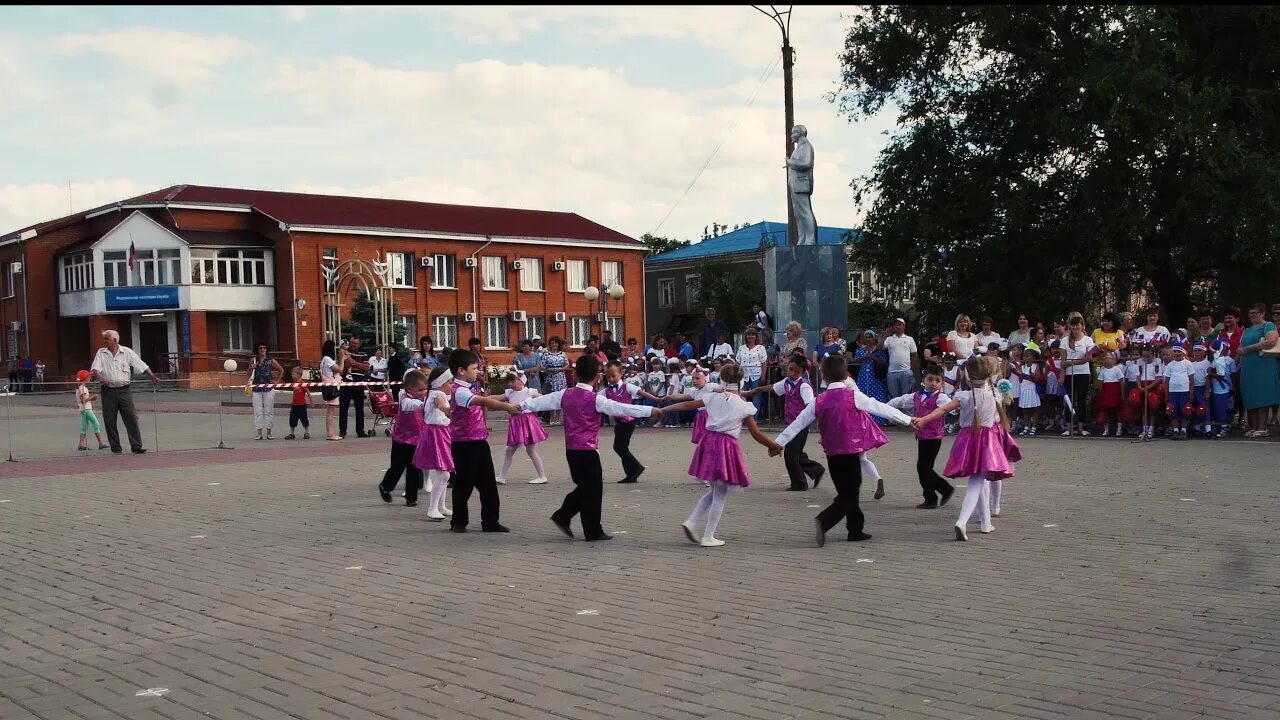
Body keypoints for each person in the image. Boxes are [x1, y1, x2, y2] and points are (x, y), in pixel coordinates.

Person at [772, 354, 914, 546]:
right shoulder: (853, 395)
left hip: (832, 454)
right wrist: (908, 420)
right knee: (850, 493)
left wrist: (779, 442)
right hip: (850, 451)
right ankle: (825, 521)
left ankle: (855, 530)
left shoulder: (818, 400)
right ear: (846, 375)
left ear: (824, 376)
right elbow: (880, 408)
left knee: (847, 492)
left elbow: (799, 423)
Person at [519, 355, 658, 541]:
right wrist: (650, 410)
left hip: (571, 451)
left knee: (586, 488)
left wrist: (519, 406)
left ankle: (564, 516)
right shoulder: (595, 400)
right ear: (598, 377)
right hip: (588, 451)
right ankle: (591, 530)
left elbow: (539, 402)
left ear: (575, 374)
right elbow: (622, 408)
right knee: (592, 491)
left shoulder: (564, 394)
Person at [661, 363, 781, 547]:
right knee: (720, 493)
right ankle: (708, 535)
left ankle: (692, 522)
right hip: (726, 446)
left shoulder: (712, 398)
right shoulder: (743, 406)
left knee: (714, 489)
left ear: (722, 380)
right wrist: (774, 445)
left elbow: (687, 404)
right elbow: (756, 433)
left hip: (708, 442)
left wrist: (663, 410)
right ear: (741, 382)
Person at [913, 356, 1020, 541]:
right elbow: (997, 417)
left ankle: (985, 522)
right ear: (989, 376)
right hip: (987, 442)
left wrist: (923, 420)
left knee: (979, 482)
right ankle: (964, 521)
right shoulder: (994, 395)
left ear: (968, 375)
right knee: (978, 483)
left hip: (967, 440)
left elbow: (943, 410)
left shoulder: (963, 396)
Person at [444, 349, 521, 533]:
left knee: (488, 484)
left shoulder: (468, 388)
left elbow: (486, 398)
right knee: (464, 484)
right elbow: (484, 402)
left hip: (479, 442)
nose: (478, 371)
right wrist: (507, 406)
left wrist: (506, 398)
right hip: (464, 444)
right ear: (461, 370)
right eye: (474, 368)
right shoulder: (460, 391)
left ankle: (490, 522)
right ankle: (459, 522)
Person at [744, 354, 825, 491]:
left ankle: (799, 484)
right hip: (790, 424)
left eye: (796, 371)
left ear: (803, 372)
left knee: (790, 454)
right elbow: (772, 387)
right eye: (790, 369)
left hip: (800, 425)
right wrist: (757, 390)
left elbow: (810, 407)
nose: (792, 373)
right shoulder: (786, 382)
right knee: (797, 452)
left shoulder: (804, 386)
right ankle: (816, 470)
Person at [886, 364, 954, 508]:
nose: (933, 383)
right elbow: (898, 401)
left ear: (942, 383)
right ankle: (935, 495)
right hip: (922, 436)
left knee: (924, 468)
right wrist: (885, 408)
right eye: (930, 379)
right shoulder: (916, 395)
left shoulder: (941, 398)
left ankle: (939, 493)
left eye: (937, 381)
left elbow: (951, 407)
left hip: (934, 437)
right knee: (924, 467)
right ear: (923, 380)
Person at [89, 329, 159, 454]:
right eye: (104, 339)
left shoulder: (127, 352)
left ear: (115, 340)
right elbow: (95, 369)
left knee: (131, 417)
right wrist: (101, 378)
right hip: (108, 391)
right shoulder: (101, 352)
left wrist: (152, 375)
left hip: (124, 390)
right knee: (110, 419)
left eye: (107, 339)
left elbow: (141, 364)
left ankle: (136, 445)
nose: (105, 342)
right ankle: (116, 447)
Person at [602, 360, 662, 484]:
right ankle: (631, 474)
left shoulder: (627, 386)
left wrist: (655, 398)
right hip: (619, 422)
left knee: (619, 447)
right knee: (621, 447)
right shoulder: (606, 391)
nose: (611, 379)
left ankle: (636, 468)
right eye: (608, 377)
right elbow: (594, 398)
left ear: (621, 373)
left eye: (613, 376)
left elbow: (642, 393)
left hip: (629, 421)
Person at [411, 366, 456, 521]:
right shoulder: (437, 395)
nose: (452, 385)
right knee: (444, 473)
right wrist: (455, 410)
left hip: (441, 433)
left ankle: (441, 506)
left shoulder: (437, 393)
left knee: (443, 472)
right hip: (435, 434)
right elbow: (444, 408)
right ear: (440, 383)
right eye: (450, 382)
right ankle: (432, 508)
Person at [378, 369, 428, 507]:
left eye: (425, 389)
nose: (423, 392)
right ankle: (385, 487)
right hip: (401, 440)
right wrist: (423, 404)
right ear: (409, 388)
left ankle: (411, 498)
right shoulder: (405, 398)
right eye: (420, 390)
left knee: (413, 468)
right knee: (397, 467)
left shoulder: (423, 398)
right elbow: (408, 406)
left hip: (416, 440)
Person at [498, 369, 549, 485]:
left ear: (521, 381)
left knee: (530, 449)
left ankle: (542, 476)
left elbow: (544, 399)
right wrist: (483, 399)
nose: (510, 384)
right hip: (516, 423)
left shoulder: (530, 392)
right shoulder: (510, 393)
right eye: (509, 381)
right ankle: (502, 476)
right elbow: (497, 398)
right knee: (510, 450)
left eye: (512, 381)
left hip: (527, 422)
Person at [1237, 303, 1279, 438]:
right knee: (1251, 395)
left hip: (1263, 364)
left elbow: (1271, 341)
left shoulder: (1268, 326)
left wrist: (1248, 349)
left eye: (1255, 312)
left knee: (1262, 395)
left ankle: (1263, 427)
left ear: (1262, 313)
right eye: (1250, 313)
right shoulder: (1246, 330)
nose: (1252, 315)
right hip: (1248, 367)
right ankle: (1254, 427)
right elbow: (1240, 347)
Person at [1060, 313, 1095, 436]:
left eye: (1077, 326)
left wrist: (1071, 363)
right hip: (1069, 375)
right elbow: (1063, 361)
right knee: (1069, 400)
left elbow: (1088, 358)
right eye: (1073, 326)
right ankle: (1069, 427)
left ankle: (1081, 427)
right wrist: (1062, 375)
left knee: (1081, 400)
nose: (1075, 328)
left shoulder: (1088, 340)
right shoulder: (1064, 341)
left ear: (1082, 326)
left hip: (1083, 373)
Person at [786, 124, 818, 246]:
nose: (791, 136)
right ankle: (802, 238)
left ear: (798, 133)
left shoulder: (806, 146)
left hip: (801, 184)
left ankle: (810, 238)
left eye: (793, 133)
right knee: (798, 214)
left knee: (804, 211)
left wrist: (789, 162)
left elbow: (806, 163)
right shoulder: (799, 148)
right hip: (795, 185)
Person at [248, 342, 284, 441]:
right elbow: (248, 374)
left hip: (268, 388)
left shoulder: (271, 360)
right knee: (258, 411)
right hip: (256, 388)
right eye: (260, 348)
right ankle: (259, 433)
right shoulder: (253, 360)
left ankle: (269, 433)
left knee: (269, 411)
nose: (263, 350)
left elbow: (281, 370)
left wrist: (277, 381)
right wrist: (251, 368)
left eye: (264, 348)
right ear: (257, 350)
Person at [339, 336, 371, 438]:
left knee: (359, 409)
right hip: (346, 383)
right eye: (351, 342)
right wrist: (357, 364)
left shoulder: (363, 354)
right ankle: (342, 431)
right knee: (344, 408)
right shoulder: (344, 352)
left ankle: (360, 431)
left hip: (359, 383)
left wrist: (354, 363)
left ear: (359, 344)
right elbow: (343, 364)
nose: (352, 345)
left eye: (355, 343)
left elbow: (366, 368)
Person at [735, 328, 769, 420]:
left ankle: (755, 418)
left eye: (752, 335)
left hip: (756, 374)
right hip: (744, 375)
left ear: (756, 336)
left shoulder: (760, 348)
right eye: (748, 335)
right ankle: (743, 417)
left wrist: (763, 375)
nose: (750, 336)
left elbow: (764, 362)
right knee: (742, 395)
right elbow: (737, 361)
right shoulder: (741, 348)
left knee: (756, 396)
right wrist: (737, 373)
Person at [1163, 344, 1195, 439]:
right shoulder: (1170, 365)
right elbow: (1167, 380)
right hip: (1173, 392)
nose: (1177, 353)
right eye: (1175, 351)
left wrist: (1191, 393)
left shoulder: (1188, 364)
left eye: (1179, 351)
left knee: (1185, 410)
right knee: (1173, 411)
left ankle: (1184, 430)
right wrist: (1166, 394)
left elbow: (1192, 379)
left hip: (1184, 391)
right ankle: (1175, 430)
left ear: (1183, 352)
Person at [883, 317, 919, 399]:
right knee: (893, 397)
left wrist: (913, 370)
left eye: (900, 325)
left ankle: (905, 412)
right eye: (896, 325)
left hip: (906, 371)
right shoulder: (889, 339)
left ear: (904, 326)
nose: (898, 327)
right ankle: (894, 412)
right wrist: (885, 335)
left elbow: (914, 354)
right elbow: (879, 348)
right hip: (892, 372)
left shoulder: (909, 339)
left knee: (906, 397)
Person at [1208, 345, 1237, 438]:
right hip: (1216, 389)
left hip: (1222, 389)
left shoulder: (1220, 361)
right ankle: (1218, 427)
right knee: (1216, 409)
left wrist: (1210, 373)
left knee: (1222, 409)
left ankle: (1224, 427)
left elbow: (1221, 376)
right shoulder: (1216, 358)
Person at [74, 369, 108, 451]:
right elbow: (83, 400)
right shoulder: (83, 388)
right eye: (88, 377)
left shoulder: (79, 388)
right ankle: (100, 443)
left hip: (82, 409)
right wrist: (92, 398)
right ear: (85, 378)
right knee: (96, 423)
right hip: (87, 409)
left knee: (84, 426)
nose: (90, 378)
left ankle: (81, 444)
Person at [1094, 353, 1125, 437]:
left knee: (1118, 410)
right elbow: (1100, 382)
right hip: (1106, 390)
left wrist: (1122, 393)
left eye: (1109, 358)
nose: (1107, 360)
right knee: (1105, 410)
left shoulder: (1117, 369)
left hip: (1115, 390)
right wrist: (1101, 393)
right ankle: (1106, 429)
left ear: (1113, 360)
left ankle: (1119, 429)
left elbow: (1121, 381)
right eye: (1105, 358)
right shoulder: (1103, 370)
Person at [541, 336, 570, 425]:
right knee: (551, 397)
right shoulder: (547, 354)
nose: (554, 345)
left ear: (558, 344)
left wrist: (560, 369)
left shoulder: (562, 354)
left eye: (555, 343)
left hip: (560, 377)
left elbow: (567, 365)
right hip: (550, 377)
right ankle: (552, 418)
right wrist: (549, 370)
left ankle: (557, 419)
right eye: (552, 343)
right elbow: (542, 366)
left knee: (559, 398)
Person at [319, 340, 343, 441]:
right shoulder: (328, 359)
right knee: (331, 411)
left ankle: (331, 433)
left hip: (328, 385)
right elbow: (339, 369)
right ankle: (330, 433)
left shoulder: (324, 359)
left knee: (331, 410)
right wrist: (342, 359)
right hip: (331, 386)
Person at [283, 366, 311, 440]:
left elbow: (308, 392)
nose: (292, 376)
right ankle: (292, 433)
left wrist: (311, 401)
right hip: (294, 404)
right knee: (292, 419)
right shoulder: (294, 383)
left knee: (304, 419)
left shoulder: (302, 383)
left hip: (302, 405)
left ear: (299, 375)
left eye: (293, 374)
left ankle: (306, 432)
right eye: (292, 374)